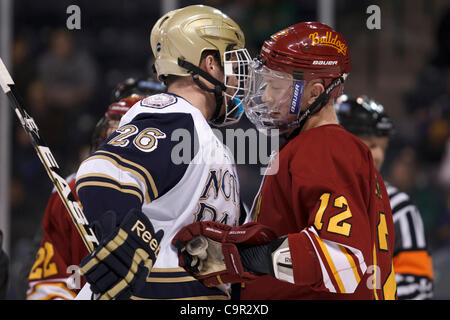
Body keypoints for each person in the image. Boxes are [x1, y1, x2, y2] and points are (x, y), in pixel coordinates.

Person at [173, 21, 397, 300]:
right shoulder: (314, 147)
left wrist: (243, 257)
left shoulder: (326, 146)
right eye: (265, 84)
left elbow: (342, 258)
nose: (265, 96)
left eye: (276, 86)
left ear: (315, 92)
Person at [75, 4, 251, 300]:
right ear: (209, 65)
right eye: (229, 62)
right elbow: (101, 174)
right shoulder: (173, 115)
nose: (236, 79)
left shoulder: (203, 135)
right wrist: (119, 237)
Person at [26, 79, 163, 300]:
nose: (114, 151)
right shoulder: (70, 192)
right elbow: (48, 284)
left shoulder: (184, 193)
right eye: (109, 140)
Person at [335, 95, 434, 300]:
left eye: (382, 146)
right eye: (370, 145)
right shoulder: (311, 195)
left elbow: (419, 288)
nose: (378, 155)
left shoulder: (399, 208)